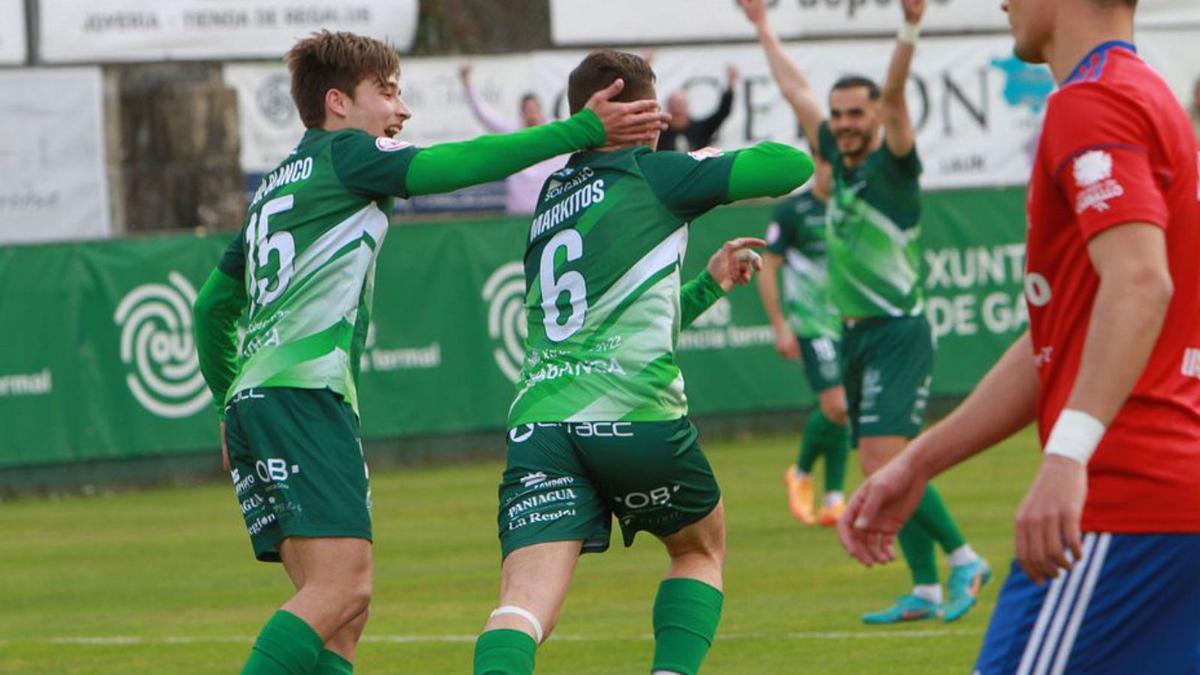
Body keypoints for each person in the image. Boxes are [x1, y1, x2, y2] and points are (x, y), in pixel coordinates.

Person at [191, 30, 668, 675]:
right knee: (343, 591)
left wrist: (229, 402)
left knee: (339, 624)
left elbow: (211, 308)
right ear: (338, 103)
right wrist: (576, 131)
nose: (402, 110)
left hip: (260, 396)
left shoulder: (276, 186)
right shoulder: (350, 156)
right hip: (303, 395)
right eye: (387, 93)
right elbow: (455, 166)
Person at [841, 0, 1200, 671]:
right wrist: (917, 463)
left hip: (1119, 504)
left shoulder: (1091, 102)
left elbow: (1141, 284)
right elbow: (1059, 341)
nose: (1002, 2)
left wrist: (1067, 456)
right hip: (1169, 504)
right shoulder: (1146, 94)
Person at [471, 49, 814, 675]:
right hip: (632, 415)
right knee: (698, 550)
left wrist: (707, 286)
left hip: (542, 424)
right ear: (647, 113)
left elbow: (607, 318)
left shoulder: (550, 198)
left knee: (521, 609)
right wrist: (699, 161)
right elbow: (790, 164)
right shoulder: (659, 175)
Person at [741, 0, 989, 624]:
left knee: (885, 460)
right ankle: (926, 590)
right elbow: (796, 90)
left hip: (897, 332)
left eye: (858, 113)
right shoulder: (837, 165)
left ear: (878, 116)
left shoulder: (894, 170)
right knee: (882, 464)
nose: (845, 123)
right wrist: (763, 27)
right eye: (840, 114)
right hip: (853, 336)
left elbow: (899, 94)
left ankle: (963, 559)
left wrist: (909, 26)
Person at [756, 158, 850, 527]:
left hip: (848, 321)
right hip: (812, 324)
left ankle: (833, 500)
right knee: (838, 404)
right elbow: (769, 268)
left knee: (841, 410)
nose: (834, 171)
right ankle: (802, 471)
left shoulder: (849, 209)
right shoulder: (794, 211)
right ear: (819, 164)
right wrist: (780, 325)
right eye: (828, 162)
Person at [459, 62, 565, 215]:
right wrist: (467, 83)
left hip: (550, 212)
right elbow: (484, 113)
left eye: (535, 109)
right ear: (522, 114)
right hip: (518, 214)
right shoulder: (514, 131)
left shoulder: (555, 130)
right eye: (528, 110)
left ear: (541, 110)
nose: (532, 114)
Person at [656, 63, 739, 152]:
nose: (678, 108)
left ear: (687, 106)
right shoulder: (659, 133)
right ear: (668, 107)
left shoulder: (700, 129)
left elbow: (723, 112)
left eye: (681, 104)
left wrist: (731, 84)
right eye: (674, 104)